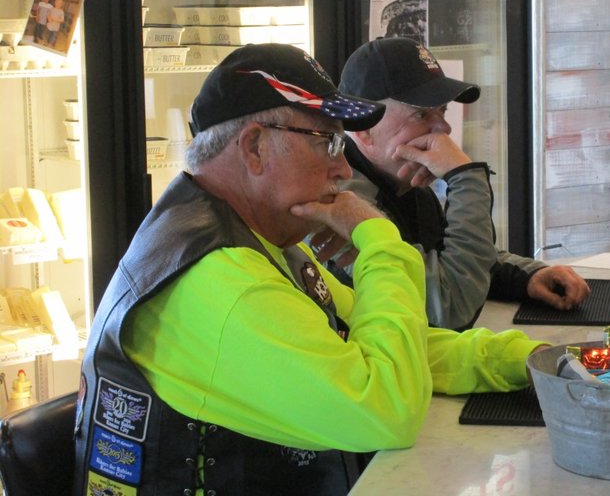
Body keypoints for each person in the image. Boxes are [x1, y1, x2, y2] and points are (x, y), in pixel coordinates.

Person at [73, 43, 550, 496]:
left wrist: (526, 361)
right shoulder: (224, 280)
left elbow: (370, 342)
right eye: (327, 142)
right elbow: (384, 410)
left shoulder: (255, 237)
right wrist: (379, 238)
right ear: (255, 147)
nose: (343, 169)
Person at [329, 37, 591, 330]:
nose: (444, 128)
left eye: (441, 110)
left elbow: (453, 255)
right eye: (421, 114)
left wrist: (527, 277)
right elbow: (449, 306)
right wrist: (465, 178)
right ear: (363, 127)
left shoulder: (407, 188)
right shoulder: (340, 207)